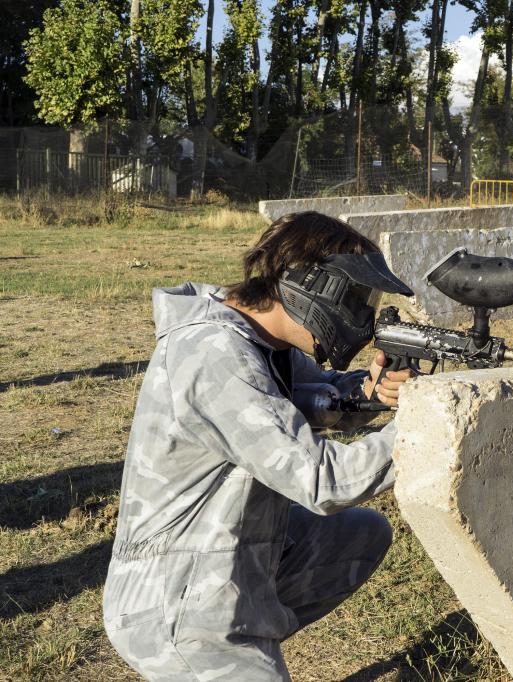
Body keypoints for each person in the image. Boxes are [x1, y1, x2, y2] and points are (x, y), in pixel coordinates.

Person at [103, 211, 415, 682]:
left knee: (361, 534)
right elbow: (321, 480)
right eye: (352, 299)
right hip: (171, 601)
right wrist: (432, 431)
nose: (361, 317)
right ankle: (217, 653)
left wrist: (367, 392)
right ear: (310, 286)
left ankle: (249, 631)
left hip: (221, 558)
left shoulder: (260, 336)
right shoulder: (215, 353)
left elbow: (311, 393)